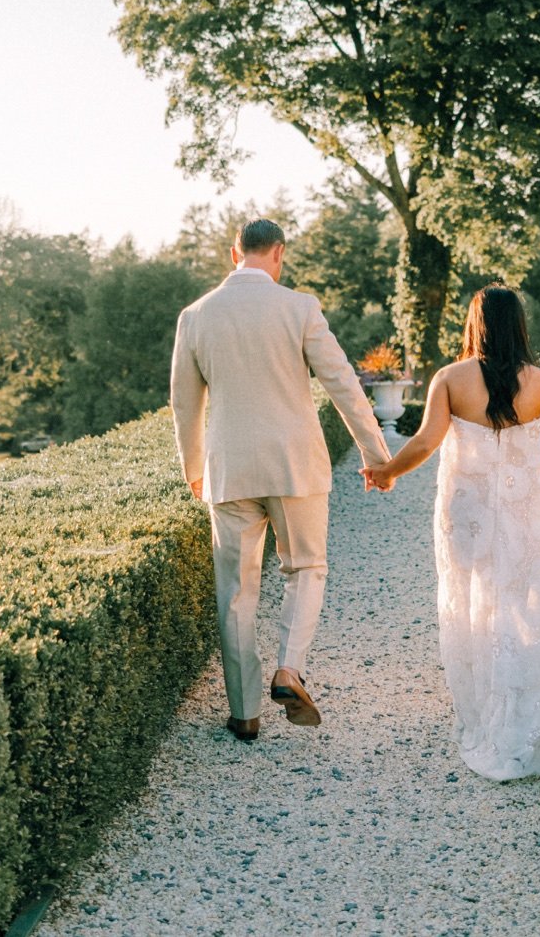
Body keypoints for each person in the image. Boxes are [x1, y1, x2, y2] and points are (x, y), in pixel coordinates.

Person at [170, 218, 393, 744]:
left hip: (230, 470)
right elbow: (342, 382)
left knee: (236, 592)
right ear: (279, 254)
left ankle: (245, 713)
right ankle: (289, 670)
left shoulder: (195, 316)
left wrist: (194, 469)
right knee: (306, 568)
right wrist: (375, 455)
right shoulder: (299, 308)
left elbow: (185, 404)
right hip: (296, 465)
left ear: (234, 254)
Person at [362, 287, 540, 781]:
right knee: (523, 611)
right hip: (523, 513)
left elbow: (426, 441)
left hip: (467, 514)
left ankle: (484, 717)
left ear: (474, 324)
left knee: (476, 606)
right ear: (519, 325)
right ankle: (523, 725)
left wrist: (389, 471)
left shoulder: (451, 379)